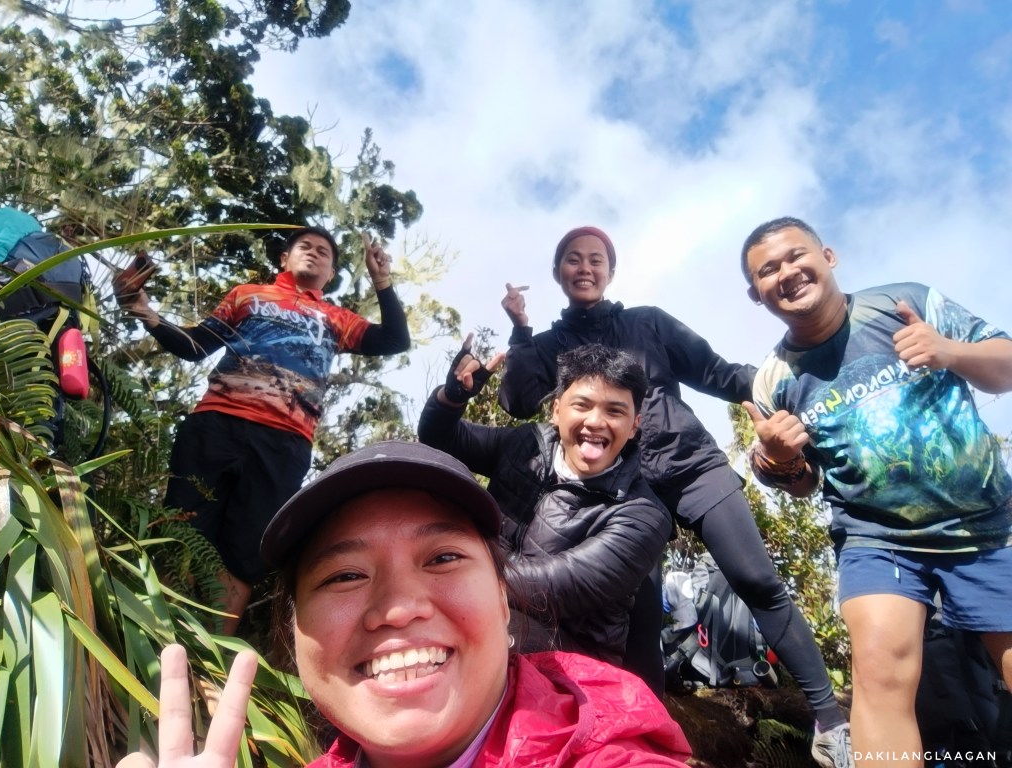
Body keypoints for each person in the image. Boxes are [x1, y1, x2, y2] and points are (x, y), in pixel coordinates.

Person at [499, 226, 850, 766]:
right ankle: (651, 734)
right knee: (639, 616)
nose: (585, 267)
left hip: (692, 466)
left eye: (596, 259)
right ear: (559, 274)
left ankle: (831, 718)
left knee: (756, 579)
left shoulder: (647, 322)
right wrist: (520, 329)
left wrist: (792, 386)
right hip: (626, 491)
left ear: (610, 271)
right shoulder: (549, 345)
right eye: (573, 260)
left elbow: (716, 371)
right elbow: (518, 399)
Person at [118, 441, 694, 768]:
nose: (397, 608)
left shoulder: (603, 748)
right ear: (293, 634)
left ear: (502, 597)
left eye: (442, 558)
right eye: (345, 574)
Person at [740, 216, 1012, 767]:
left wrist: (949, 352)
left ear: (829, 256)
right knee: (879, 672)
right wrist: (780, 462)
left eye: (796, 256)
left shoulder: (905, 302)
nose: (787, 274)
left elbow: (1005, 367)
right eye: (768, 271)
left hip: (985, 524)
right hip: (876, 539)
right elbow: (803, 483)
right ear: (755, 294)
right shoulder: (775, 378)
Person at [121, 226, 410, 634]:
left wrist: (381, 280)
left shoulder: (336, 319)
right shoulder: (247, 295)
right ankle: (151, 642)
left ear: (330, 273)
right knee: (178, 538)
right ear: (283, 259)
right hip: (216, 424)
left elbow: (395, 340)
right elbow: (194, 346)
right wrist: (142, 309)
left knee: (244, 559)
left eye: (323, 252)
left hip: (283, 443)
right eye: (304, 247)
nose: (313, 253)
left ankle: (212, 662)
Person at [418, 341, 673, 673]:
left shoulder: (644, 515)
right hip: (487, 605)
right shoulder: (527, 444)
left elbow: (553, 589)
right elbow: (441, 438)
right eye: (582, 405)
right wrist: (452, 398)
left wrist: (446, 573)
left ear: (634, 425)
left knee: (473, 637)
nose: (595, 422)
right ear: (556, 410)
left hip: (577, 660)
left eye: (614, 411)